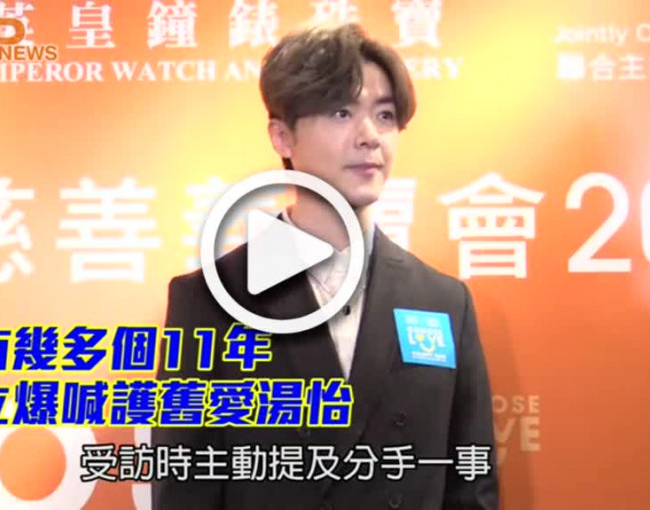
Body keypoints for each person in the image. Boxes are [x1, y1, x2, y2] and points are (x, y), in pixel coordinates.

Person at [152, 22, 498, 510]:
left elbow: (471, 484)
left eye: (384, 115)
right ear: (282, 136)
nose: (370, 137)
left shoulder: (442, 302)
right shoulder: (212, 300)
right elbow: (185, 486)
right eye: (341, 112)